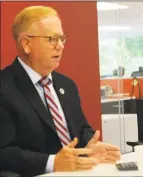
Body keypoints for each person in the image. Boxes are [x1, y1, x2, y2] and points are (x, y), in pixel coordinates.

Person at [0, 6, 120, 176]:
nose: (61, 46)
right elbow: (4, 152)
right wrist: (52, 162)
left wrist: (90, 147)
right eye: (52, 39)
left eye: (62, 38)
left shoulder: (67, 84)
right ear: (26, 43)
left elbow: (81, 130)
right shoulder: (5, 88)